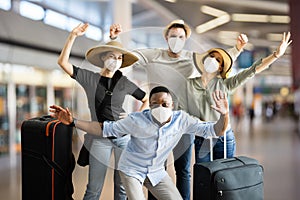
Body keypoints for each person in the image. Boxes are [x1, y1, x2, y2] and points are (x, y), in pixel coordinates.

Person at [109, 20, 245, 200]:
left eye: (181, 37)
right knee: (155, 167)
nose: (176, 39)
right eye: (173, 36)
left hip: (180, 121)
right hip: (154, 119)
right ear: (166, 37)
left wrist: (238, 49)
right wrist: (115, 39)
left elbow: (219, 60)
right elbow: (127, 58)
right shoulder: (153, 55)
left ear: (186, 38)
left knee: (183, 169)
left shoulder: (192, 58)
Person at [49, 86, 230, 200]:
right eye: (154, 104)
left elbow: (215, 130)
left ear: (172, 105)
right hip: (131, 170)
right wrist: (73, 121)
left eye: (165, 104)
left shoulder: (182, 120)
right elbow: (104, 129)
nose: (160, 107)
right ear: (149, 105)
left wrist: (224, 115)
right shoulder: (136, 120)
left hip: (157, 173)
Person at [57, 23, 149, 200]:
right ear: (103, 59)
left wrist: (135, 118)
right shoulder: (89, 79)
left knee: (122, 189)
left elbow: (145, 99)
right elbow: (63, 62)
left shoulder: (124, 82)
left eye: (120, 58)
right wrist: (73, 35)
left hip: (124, 138)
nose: (116, 61)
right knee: (93, 189)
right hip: (100, 139)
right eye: (111, 57)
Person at [187, 32, 292, 163]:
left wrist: (275, 55)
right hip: (201, 136)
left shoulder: (225, 84)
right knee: (203, 178)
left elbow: (252, 70)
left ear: (221, 67)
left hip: (222, 137)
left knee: (223, 177)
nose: (212, 60)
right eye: (211, 56)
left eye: (218, 60)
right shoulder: (190, 84)